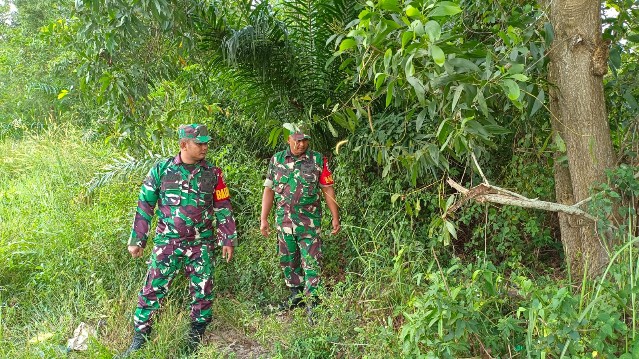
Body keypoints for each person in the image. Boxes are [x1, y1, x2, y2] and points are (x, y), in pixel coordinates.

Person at [122, 124, 237, 356]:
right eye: (200, 143)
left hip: (201, 244)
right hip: (168, 242)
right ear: (184, 145)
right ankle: (140, 338)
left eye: (206, 143)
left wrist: (228, 238)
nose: (205, 147)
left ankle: (195, 336)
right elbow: (145, 204)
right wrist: (138, 239)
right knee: (152, 289)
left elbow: (223, 206)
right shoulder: (162, 170)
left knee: (203, 291)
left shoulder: (213, 174)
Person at [260, 124, 340, 320]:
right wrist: (264, 218)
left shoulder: (317, 160)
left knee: (312, 262)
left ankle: (314, 302)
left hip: (309, 224)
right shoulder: (277, 160)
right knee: (289, 261)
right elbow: (269, 190)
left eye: (305, 140)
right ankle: (296, 296)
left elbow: (327, 189)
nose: (301, 144)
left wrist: (335, 217)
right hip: (284, 223)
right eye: (297, 139)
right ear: (288, 139)